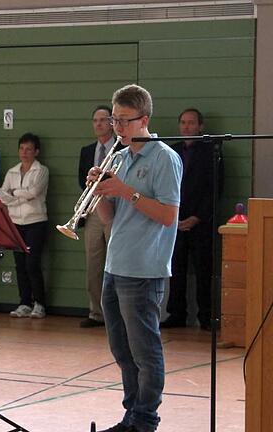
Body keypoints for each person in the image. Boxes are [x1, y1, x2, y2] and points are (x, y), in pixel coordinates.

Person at [90, 84, 182, 432]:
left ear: (144, 119)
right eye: (115, 120)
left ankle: (145, 419)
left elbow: (168, 215)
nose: (117, 128)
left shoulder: (164, 158)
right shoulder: (120, 157)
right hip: (116, 263)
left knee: (145, 350)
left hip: (144, 268)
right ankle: (131, 414)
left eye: (125, 121)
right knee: (122, 349)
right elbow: (111, 219)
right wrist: (99, 191)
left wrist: (125, 190)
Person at [161, 108, 219, 330]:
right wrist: (175, 216)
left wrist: (197, 217)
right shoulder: (172, 152)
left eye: (191, 123)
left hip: (201, 222)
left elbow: (214, 188)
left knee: (204, 270)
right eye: (183, 123)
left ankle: (206, 317)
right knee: (175, 269)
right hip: (175, 219)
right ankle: (176, 314)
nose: (186, 127)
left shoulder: (211, 151)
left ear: (200, 127)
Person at [77, 105, 120, 328]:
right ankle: (96, 313)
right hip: (94, 211)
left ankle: (118, 314)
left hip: (118, 210)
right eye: (95, 120)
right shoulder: (87, 150)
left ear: (112, 123)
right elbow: (81, 181)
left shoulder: (123, 148)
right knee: (94, 263)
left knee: (117, 262)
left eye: (103, 120)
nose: (99, 124)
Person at [0, 132, 49, 319]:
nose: (24, 152)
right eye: (21, 148)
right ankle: (24, 302)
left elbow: (34, 192)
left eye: (29, 149)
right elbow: (3, 194)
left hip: (35, 222)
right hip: (15, 223)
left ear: (36, 151)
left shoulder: (42, 170)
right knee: (19, 264)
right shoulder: (12, 171)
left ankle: (40, 303)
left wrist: (15, 194)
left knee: (32, 263)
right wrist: (19, 196)